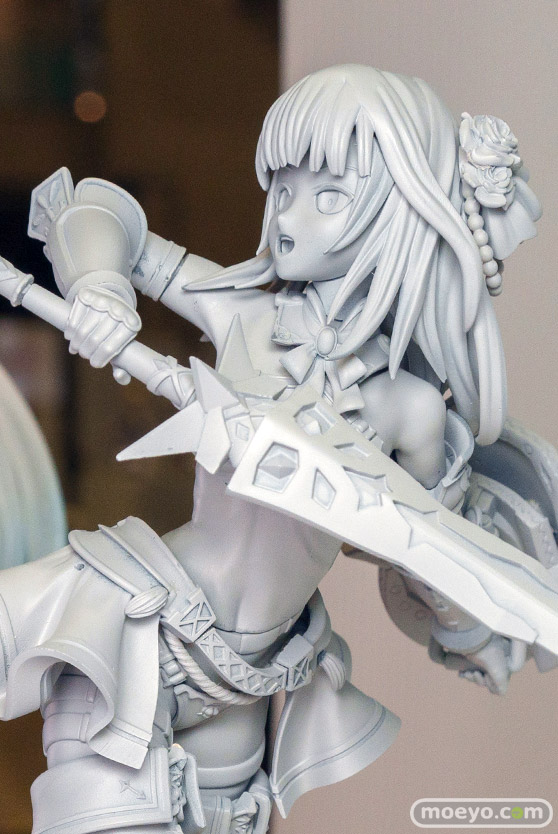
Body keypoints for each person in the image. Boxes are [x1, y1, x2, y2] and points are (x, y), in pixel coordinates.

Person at [0, 65, 551, 834]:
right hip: (133, 629)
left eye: (329, 196)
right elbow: (96, 209)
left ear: (402, 211)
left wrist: (478, 630)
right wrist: (100, 287)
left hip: (251, 678)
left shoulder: (414, 409)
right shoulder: (245, 318)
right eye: (282, 189)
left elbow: (430, 556)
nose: (289, 216)